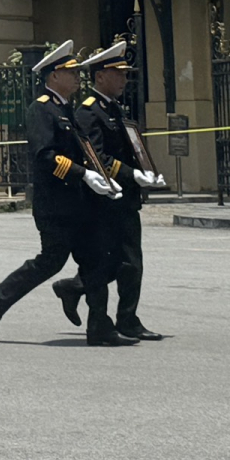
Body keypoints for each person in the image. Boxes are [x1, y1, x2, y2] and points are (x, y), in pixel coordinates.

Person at [0, 43, 128, 346]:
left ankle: (100, 326)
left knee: (96, 262)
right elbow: (45, 156)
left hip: (80, 204)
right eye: (71, 73)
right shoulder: (41, 109)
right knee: (51, 262)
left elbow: (84, 152)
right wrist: (83, 174)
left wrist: (102, 177)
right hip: (56, 206)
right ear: (54, 75)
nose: (77, 78)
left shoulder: (65, 110)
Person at [53, 43, 163, 340]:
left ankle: (80, 291)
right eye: (118, 74)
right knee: (118, 262)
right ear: (100, 77)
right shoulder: (89, 112)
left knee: (129, 262)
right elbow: (97, 157)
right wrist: (131, 175)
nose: (124, 80)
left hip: (125, 198)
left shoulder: (116, 109)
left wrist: (146, 170)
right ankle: (119, 316)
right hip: (105, 200)